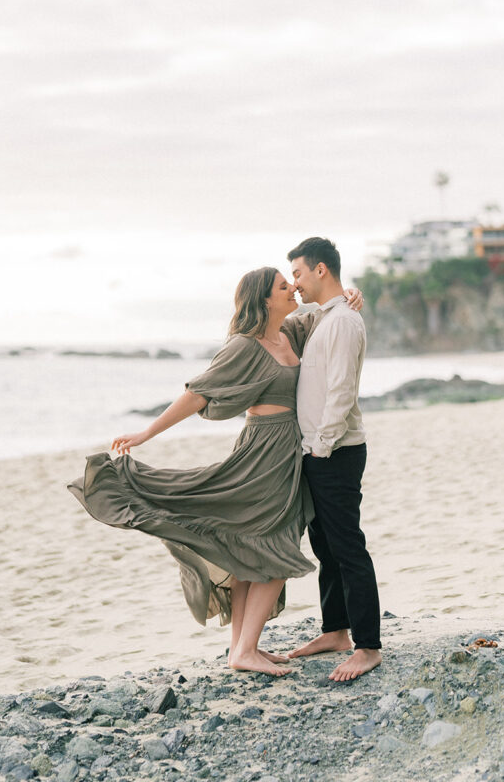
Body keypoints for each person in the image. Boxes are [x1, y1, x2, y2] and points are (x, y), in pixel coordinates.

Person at [68, 266, 362, 677]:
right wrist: (147, 432)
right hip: (263, 454)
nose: (293, 287)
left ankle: (242, 650)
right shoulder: (245, 346)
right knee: (275, 551)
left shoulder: (290, 333)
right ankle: (245, 650)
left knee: (248, 547)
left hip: (285, 453)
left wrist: (351, 294)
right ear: (264, 299)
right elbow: (196, 393)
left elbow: (328, 311)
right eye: (283, 285)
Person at [285, 237, 382, 681]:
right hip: (319, 448)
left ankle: (367, 646)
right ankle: (335, 630)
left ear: (321, 270)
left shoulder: (342, 322)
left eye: (299, 274)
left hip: (335, 450)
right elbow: (287, 316)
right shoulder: (327, 315)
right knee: (326, 546)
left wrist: (321, 445)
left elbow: (343, 388)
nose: (295, 283)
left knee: (347, 547)